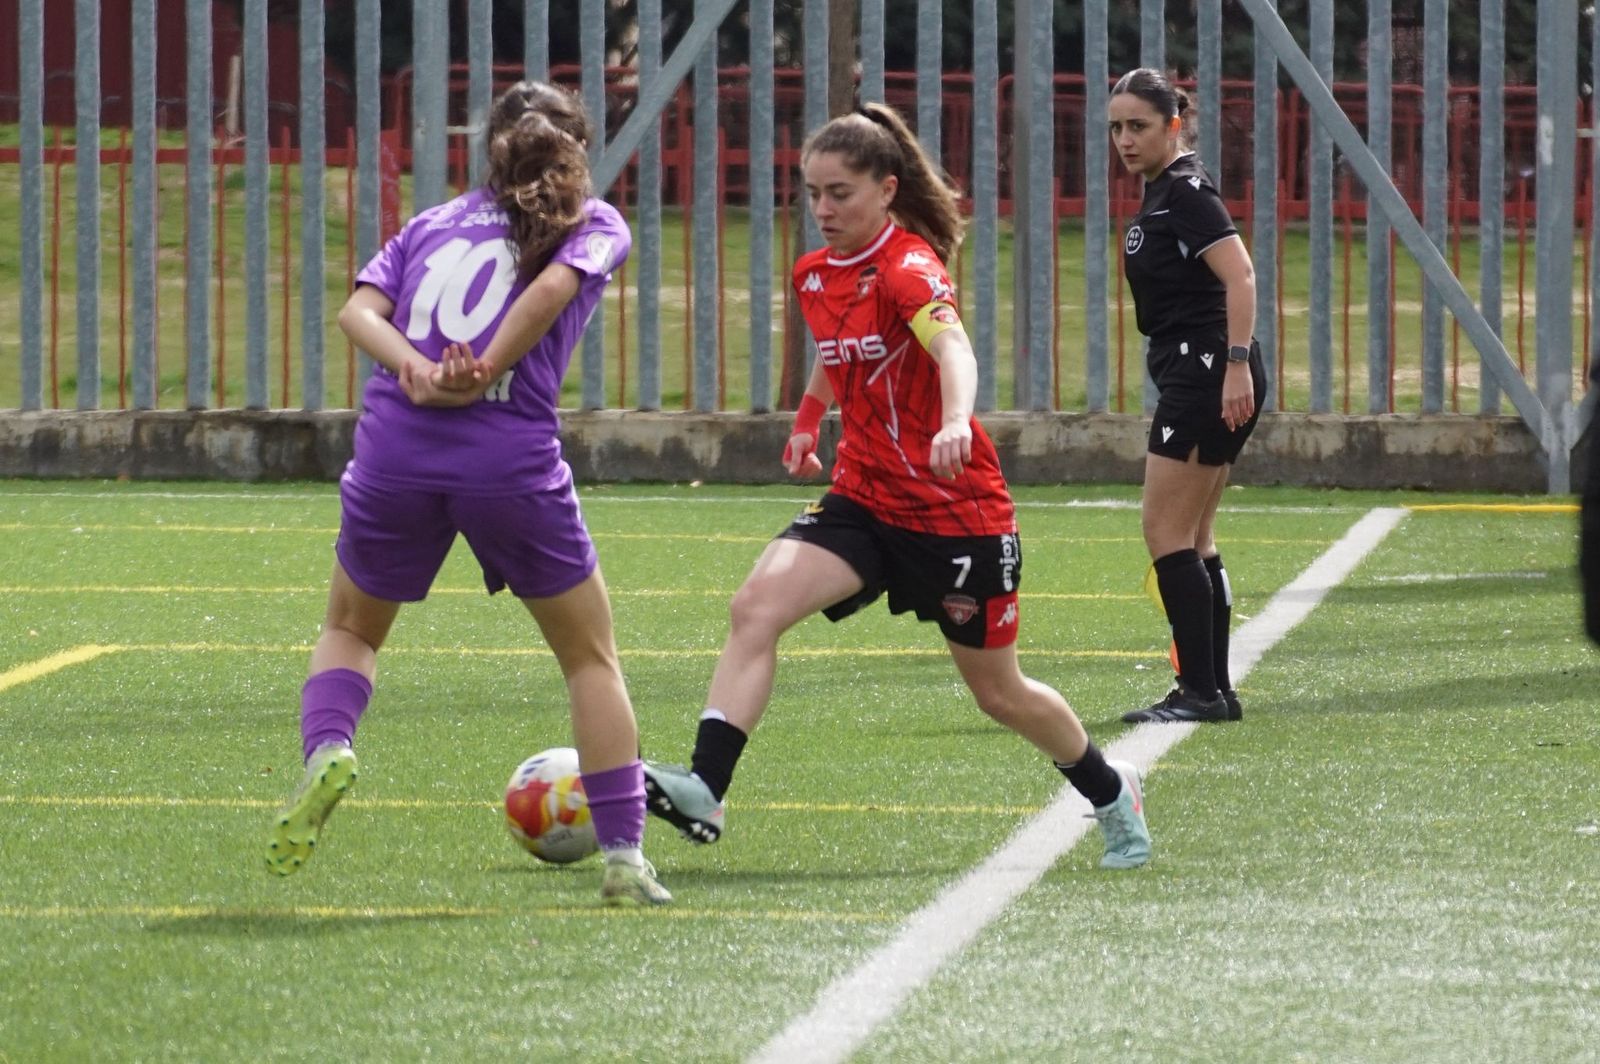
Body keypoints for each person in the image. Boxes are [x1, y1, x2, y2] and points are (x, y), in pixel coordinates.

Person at [639, 102, 1152, 870]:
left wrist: (955, 420)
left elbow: (954, 350)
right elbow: (835, 350)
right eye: (811, 193)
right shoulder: (815, 274)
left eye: (839, 192)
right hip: (864, 499)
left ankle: (1111, 792)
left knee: (998, 694)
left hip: (956, 514)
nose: (821, 209)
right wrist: (810, 419)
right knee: (755, 607)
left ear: (885, 189)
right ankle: (706, 787)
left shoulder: (909, 268)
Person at [264, 81, 670, 906]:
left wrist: (411, 366)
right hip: (505, 459)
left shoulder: (433, 222)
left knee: (350, 628)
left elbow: (357, 312)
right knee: (589, 657)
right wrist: (484, 368)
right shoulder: (594, 222)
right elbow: (553, 290)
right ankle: (624, 858)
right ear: (578, 148)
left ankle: (328, 750)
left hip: (394, 453)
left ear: (489, 147)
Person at [1108, 68, 1268, 725]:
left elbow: (1242, 276)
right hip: (1200, 366)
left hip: (1205, 368)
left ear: (1173, 126)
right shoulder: (1165, 194)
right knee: (1196, 533)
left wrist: (1233, 365)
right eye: (1116, 127)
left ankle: (1200, 691)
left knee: (1163, 528)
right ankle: (1213, 688)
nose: (1124, 138)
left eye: (1138, 126)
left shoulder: (1187, 194)